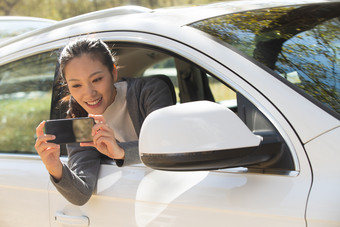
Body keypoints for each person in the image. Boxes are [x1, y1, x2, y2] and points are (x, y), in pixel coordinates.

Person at [35, 38, 175, 205]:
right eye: (76, 85)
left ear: (113, 73)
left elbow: (167, 147)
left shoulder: (149, 91)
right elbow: (81, 194)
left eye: (96, 80)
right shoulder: (80, 122)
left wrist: (120, 152)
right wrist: (55, 168)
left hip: (174, 193)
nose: (89, 93)